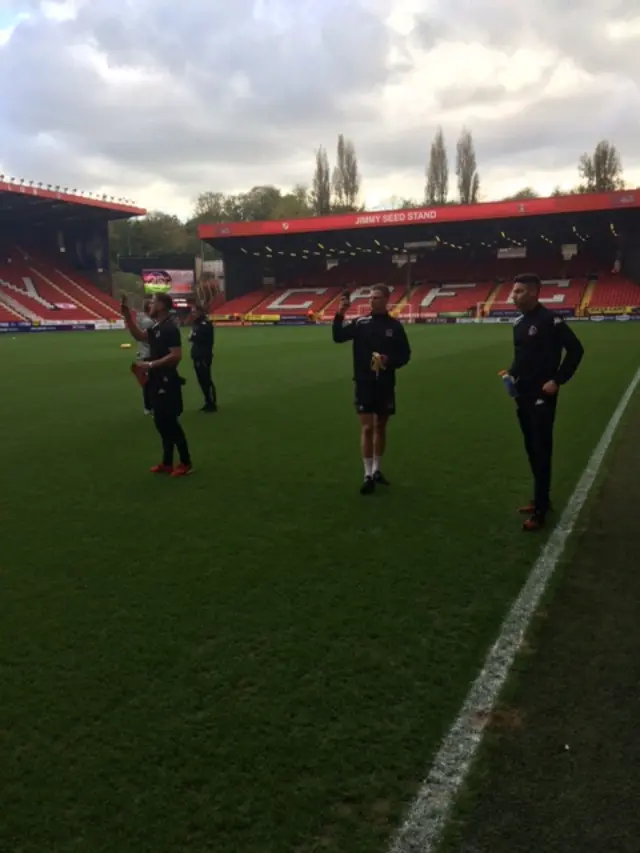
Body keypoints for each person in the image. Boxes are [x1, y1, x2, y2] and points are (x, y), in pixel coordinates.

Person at [503, 273, 584, 531]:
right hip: (522, 395)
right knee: (530, 447)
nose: (513, 296)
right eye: (513, 292)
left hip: (542, 396)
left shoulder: (551, 320)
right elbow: (522, 356)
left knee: (541, 449)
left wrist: (557, 380)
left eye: (518, 292)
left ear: (534, 293)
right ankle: (540, 499)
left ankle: (540, 510)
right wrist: (511, 374)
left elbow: (576, 349)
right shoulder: (518, 323)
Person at [332, 285, 411, 494]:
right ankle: (367, 474)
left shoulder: (394, 327)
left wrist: (388, 360)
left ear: (386, 299)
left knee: (381, 427)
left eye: (376, 297)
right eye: (370, 298)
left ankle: (377, 469)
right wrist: (340, 312)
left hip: (385, 383)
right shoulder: (360, 323)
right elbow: (338, 336)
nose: (371, 301)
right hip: (363, 382)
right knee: (366, 428)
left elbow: (405, 355)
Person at [121, 292, 193, 477]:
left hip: (167, 382)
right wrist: (127, 317)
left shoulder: (169, 328)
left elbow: (176, 355)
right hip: (156, 381)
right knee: (160, 422)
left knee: (170, 423)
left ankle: (185, 462)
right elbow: (140, 336)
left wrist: (150, 364)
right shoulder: (156, 328)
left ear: (161, 305)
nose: (149, 305)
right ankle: (167, 462)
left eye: (152, 302)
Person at [189, 303, 217, 412]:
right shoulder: (197, 324)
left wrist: (193, 336)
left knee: (206, 380)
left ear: (200, 312)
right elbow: (192, 336)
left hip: (204, 356)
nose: (193, 314)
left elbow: (195, 337)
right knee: (201, 380)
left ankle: (211, 403)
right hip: (197, 355)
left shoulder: (205, 324)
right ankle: (207, 401)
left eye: (194, 311)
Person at [136, 297, 154, 415]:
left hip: (143, 352)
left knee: (147, 382)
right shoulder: (149, 322)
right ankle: (150, 406)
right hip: (149, 354)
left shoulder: (142, 319)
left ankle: (148, 406)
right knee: (151, 382)